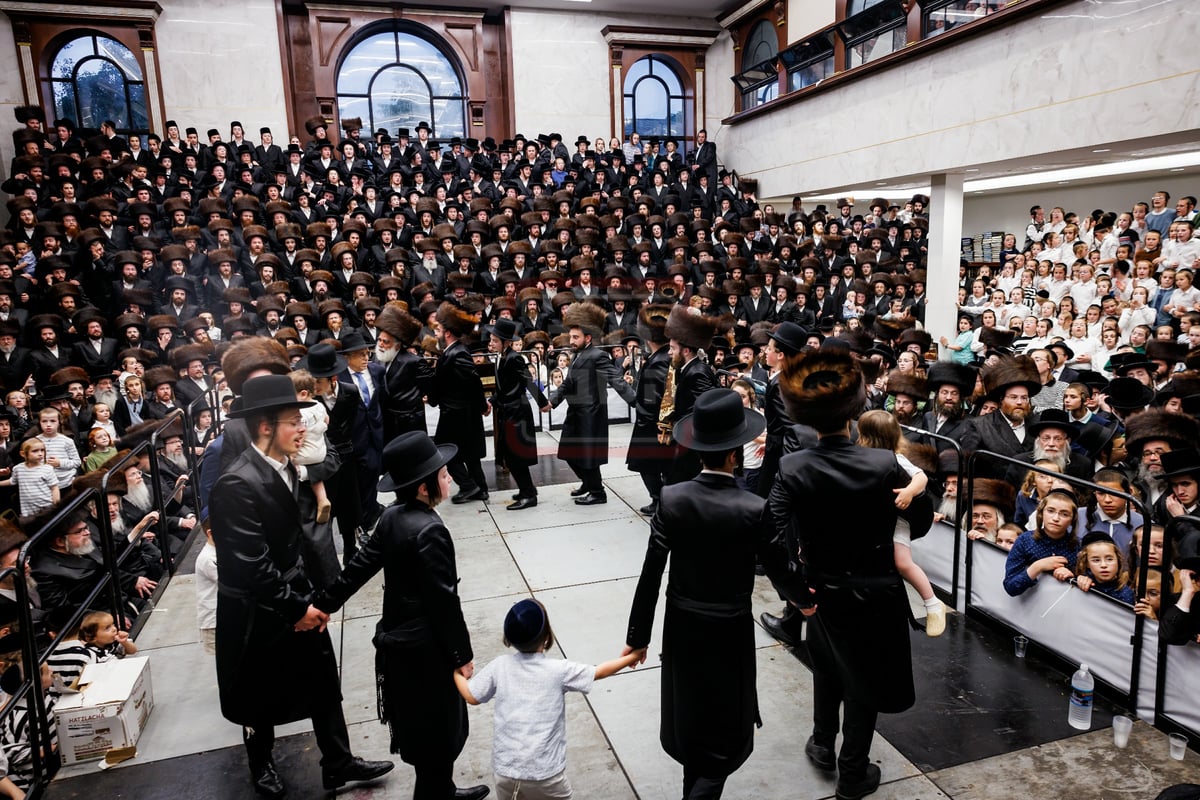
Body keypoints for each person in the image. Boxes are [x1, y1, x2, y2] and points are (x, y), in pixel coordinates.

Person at [209, 374, 393, 799]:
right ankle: (262, 765)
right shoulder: (238, 483)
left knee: (322, 677)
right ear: (265, 426)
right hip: (257, 611)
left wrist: (308, 597)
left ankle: (338, 761)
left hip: (292, 591)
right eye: (294, 421)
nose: (303, 428)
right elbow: (251, 564)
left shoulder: (287, 466)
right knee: (257, 692)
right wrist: (297, 608)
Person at [767, 348, 934, 800]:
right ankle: (852, 772)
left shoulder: (792, 465)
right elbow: (919, 521)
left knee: (827, 667)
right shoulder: (884, 464)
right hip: (875, 592)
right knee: (865, 680)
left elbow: (769, 538)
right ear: (856, 409)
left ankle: (823, 743)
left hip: (820, 589)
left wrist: (798, 591)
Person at [625, 388, 790, 800]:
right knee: (725, 730)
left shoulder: (672, 498)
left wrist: (637, 636)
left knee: (691, 716)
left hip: (681, 626)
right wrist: (804, 598)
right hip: (729, 629)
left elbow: (650, 573)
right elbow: (778, 566)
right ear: (736, 453)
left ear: (699, 450)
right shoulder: (754, 507)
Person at [314, 432, 487, 800]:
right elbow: (444, 603)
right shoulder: (430, 531)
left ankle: (443, 788)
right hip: (426, 649)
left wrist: (323, 604)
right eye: (443, 475)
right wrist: (462, 656)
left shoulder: (393, 516)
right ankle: (435, 793)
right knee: (439, 730)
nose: (450, 478)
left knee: (423, 728)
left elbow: (358, 567)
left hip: (399, 642)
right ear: (424, 488)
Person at [454, 599, 640, 800]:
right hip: (546, 774)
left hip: (505, 770)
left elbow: (471, 696)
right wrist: (633, 656)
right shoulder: (558, 671)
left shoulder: (500, 666)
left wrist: (455, 671)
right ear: (546, 636)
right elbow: (599, 671)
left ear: (508, 638)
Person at [855, 410, 945, 636]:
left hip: (897, 519)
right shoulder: (856, 456)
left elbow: (921, 477)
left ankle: (933, 603)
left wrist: (908, 493)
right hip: (870, 521)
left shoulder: (897, 459)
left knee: (903, 562)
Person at [549, 301, 635, 505]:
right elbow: (568, 383)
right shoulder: (576, 356)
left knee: (589, 456)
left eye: (576, 337)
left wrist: (635, 401)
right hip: (575, 413)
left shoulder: (598, 356)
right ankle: (587, 483)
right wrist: (552, 402)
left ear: (587, 338)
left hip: (591, 415)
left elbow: (616, 379)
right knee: (568, 452)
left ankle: (597, 492)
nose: (571, 340)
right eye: (571, 336)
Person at [432, 302, 490, 504]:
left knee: (445, 452)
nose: (436, 334)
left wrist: (483, 406)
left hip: (457, 414)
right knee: (470, 454)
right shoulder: (453, 352)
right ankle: (480, 489)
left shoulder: (458, 353)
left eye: (439, 330)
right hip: (461, 414)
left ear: (447, 333)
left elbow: (474, 383)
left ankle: (469, 486)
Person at [489, 317, 550, 510]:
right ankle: (527, 490)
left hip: (516, 412)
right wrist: (492, 402)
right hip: (509, 410)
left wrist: (542, 402)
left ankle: (529, 494)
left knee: (516, 455)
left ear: (506, 342)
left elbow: (527, 381)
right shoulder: (504, 356)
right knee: (511, 454)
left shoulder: (514, 358)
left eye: (495, 340)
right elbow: (502, 387)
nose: (491, 343)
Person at [1002, 488, 1081, 597]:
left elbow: (1088, 585)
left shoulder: (1078, 547)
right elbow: (1011, 587)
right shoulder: (1025, 540)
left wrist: (1073, 578)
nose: (1056, 518)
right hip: (1028, 606)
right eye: (1050, 511)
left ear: (1072, 519)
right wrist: (1038, 566)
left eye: (1064, 514)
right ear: (1041, 513)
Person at [288, 369, 332, 524]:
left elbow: (300, 435)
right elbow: (326, 420)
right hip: (320, 451)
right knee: (317, 480)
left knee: (289, 460)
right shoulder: (319, 405)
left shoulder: (301, 413)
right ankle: (323, 499)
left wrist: (291, 456)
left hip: (305, 454)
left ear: (303, 394)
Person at [0, 439, 59, 519]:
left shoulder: (47, 469)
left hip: (46, 508)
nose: (40, 454)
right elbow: (12, 481)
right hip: (27, 512)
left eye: (42, 450)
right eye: (35, 451)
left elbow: (54, 488)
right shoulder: (18, 469)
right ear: (23, 454)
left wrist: (56, 506)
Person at [1073, 532, 1135, 603]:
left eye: (1109, 559)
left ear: (1118, 560)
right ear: (1087, 564)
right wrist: (1078, 581)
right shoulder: (1081, 583)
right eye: (1096, 560)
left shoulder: (1127, 594)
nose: (1103, 565)